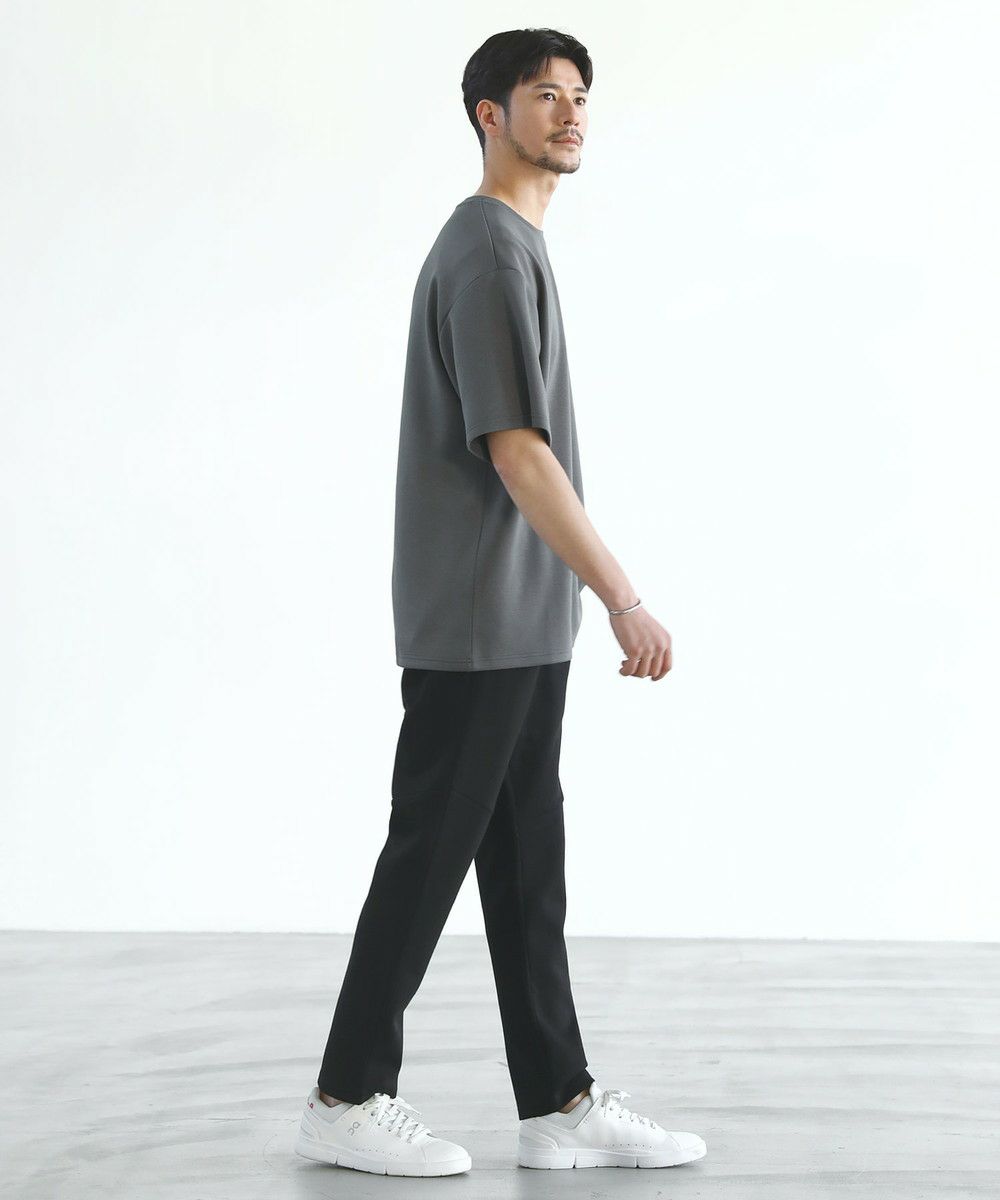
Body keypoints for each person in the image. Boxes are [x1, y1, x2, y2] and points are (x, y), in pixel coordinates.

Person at [295, 26, 707, 1177]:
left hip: (521, 620)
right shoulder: (485, 251)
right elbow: (518, 451)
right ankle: (343, 1096)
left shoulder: (516, 245)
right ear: (489, 114)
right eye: (543, 94)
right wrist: (621, 595)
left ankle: (557, 1101)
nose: (570, 112)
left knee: (528, 870)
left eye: (579, 95)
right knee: (428, 856)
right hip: (477, 623)